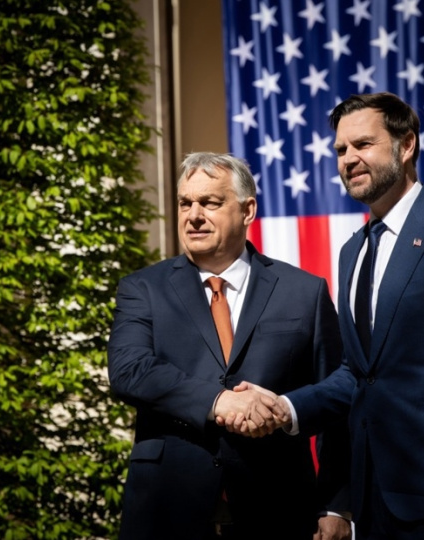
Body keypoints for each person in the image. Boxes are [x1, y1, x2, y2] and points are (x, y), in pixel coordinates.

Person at [222, 93, 424, 540]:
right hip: (372, 498)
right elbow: (358, 375)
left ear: (407, 146)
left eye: (363, 144)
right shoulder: (353, 251)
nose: (348, 159)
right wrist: (286, 408)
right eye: (341, 149)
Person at [107, 152, 351, 540]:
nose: (193, 215)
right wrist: (218, 401)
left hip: (277, 507)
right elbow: (129, 370)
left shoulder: (304, 291)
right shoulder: (143, 289)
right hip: (168, 506)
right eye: (185, 203)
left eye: (210, 202)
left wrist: (337, 505)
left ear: (247, 210)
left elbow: (336, 398)